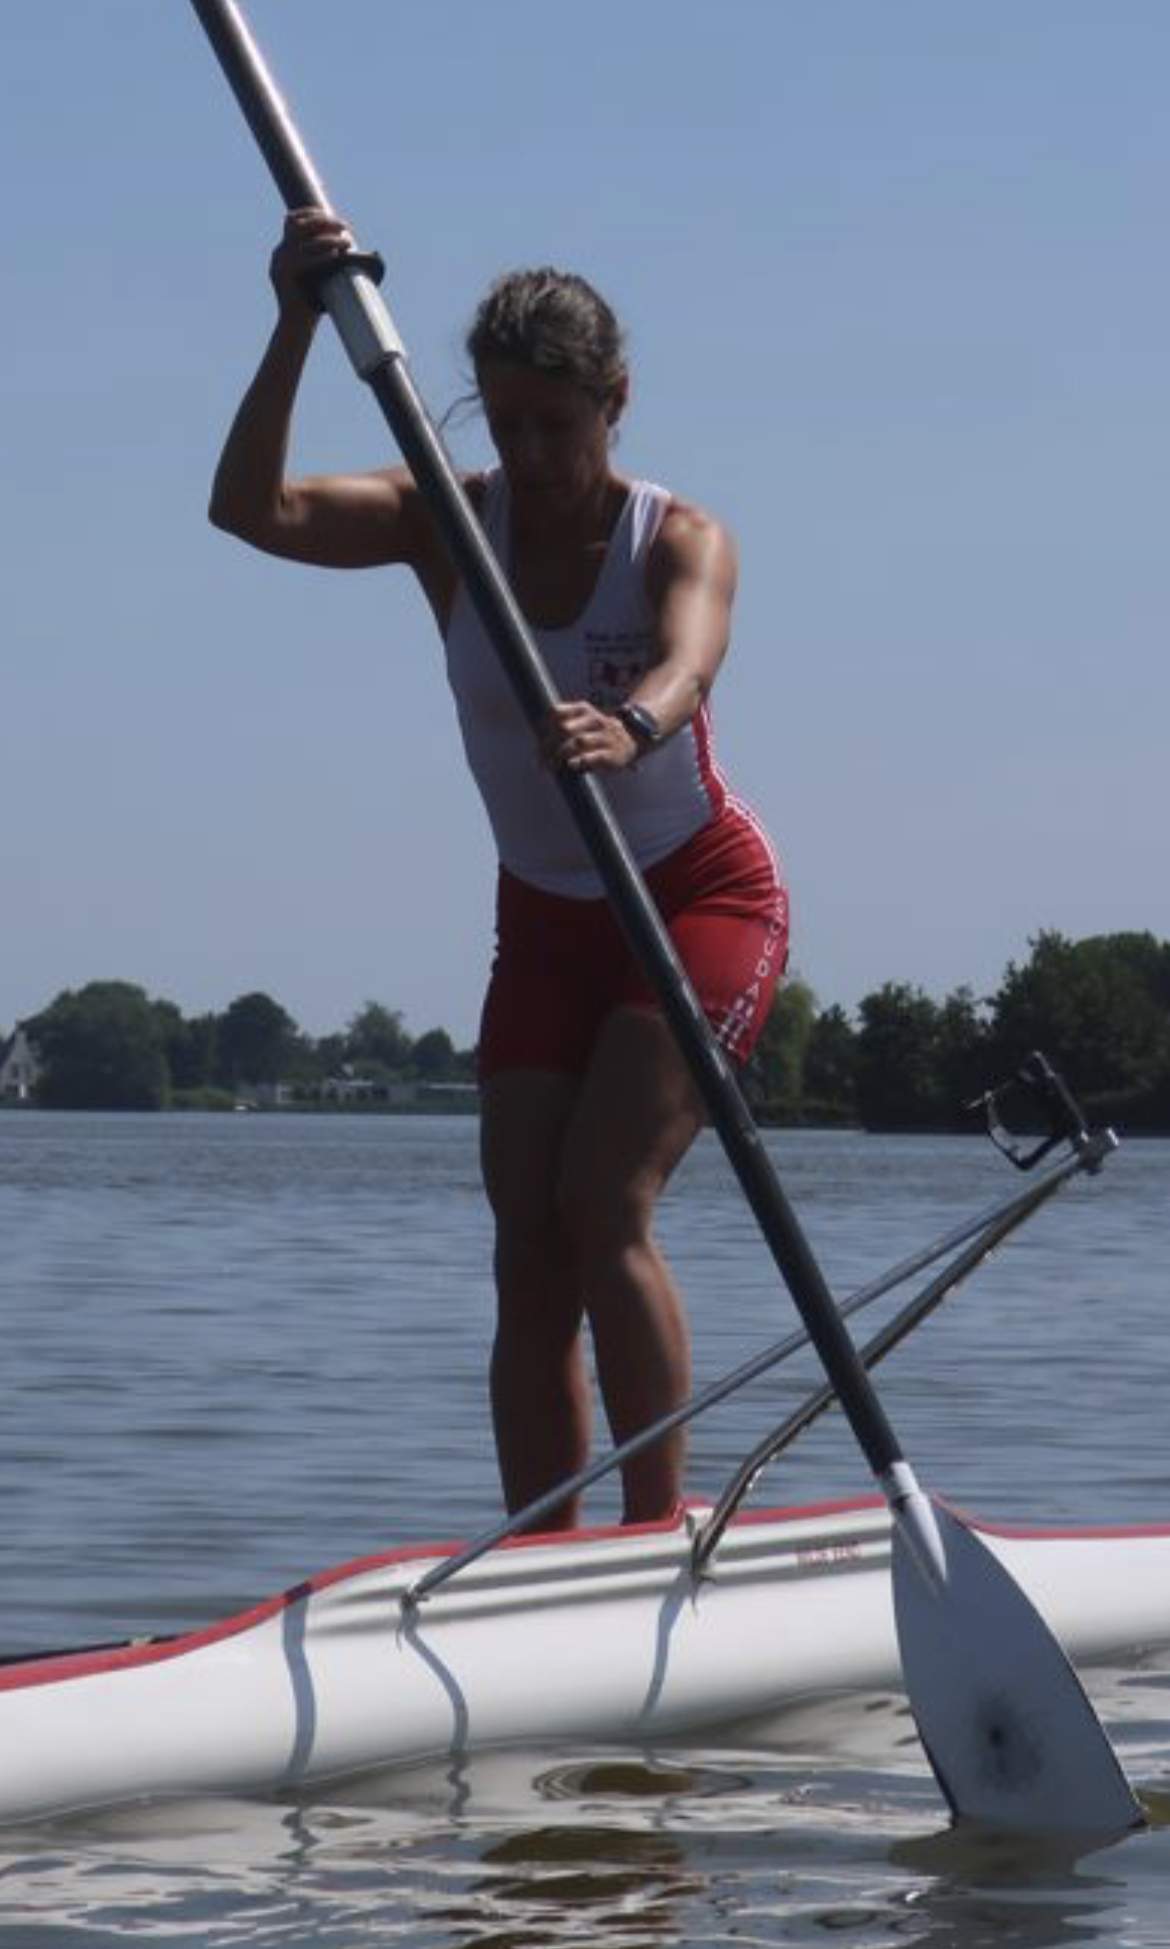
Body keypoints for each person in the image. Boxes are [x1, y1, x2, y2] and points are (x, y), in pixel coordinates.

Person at [209, 210, 790, 1530]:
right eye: (508, 425)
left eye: (557, 427)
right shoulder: (447, 523)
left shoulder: (678, 536)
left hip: (692, 896)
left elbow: (690, 659)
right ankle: (539, 1555)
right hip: (541, 920)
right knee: (527, 1248)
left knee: (602, 1200)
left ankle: (652, 1531)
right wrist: (294, 321)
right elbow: (249, 508)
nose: (530, 457)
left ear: (615, 403)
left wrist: (630, 721)